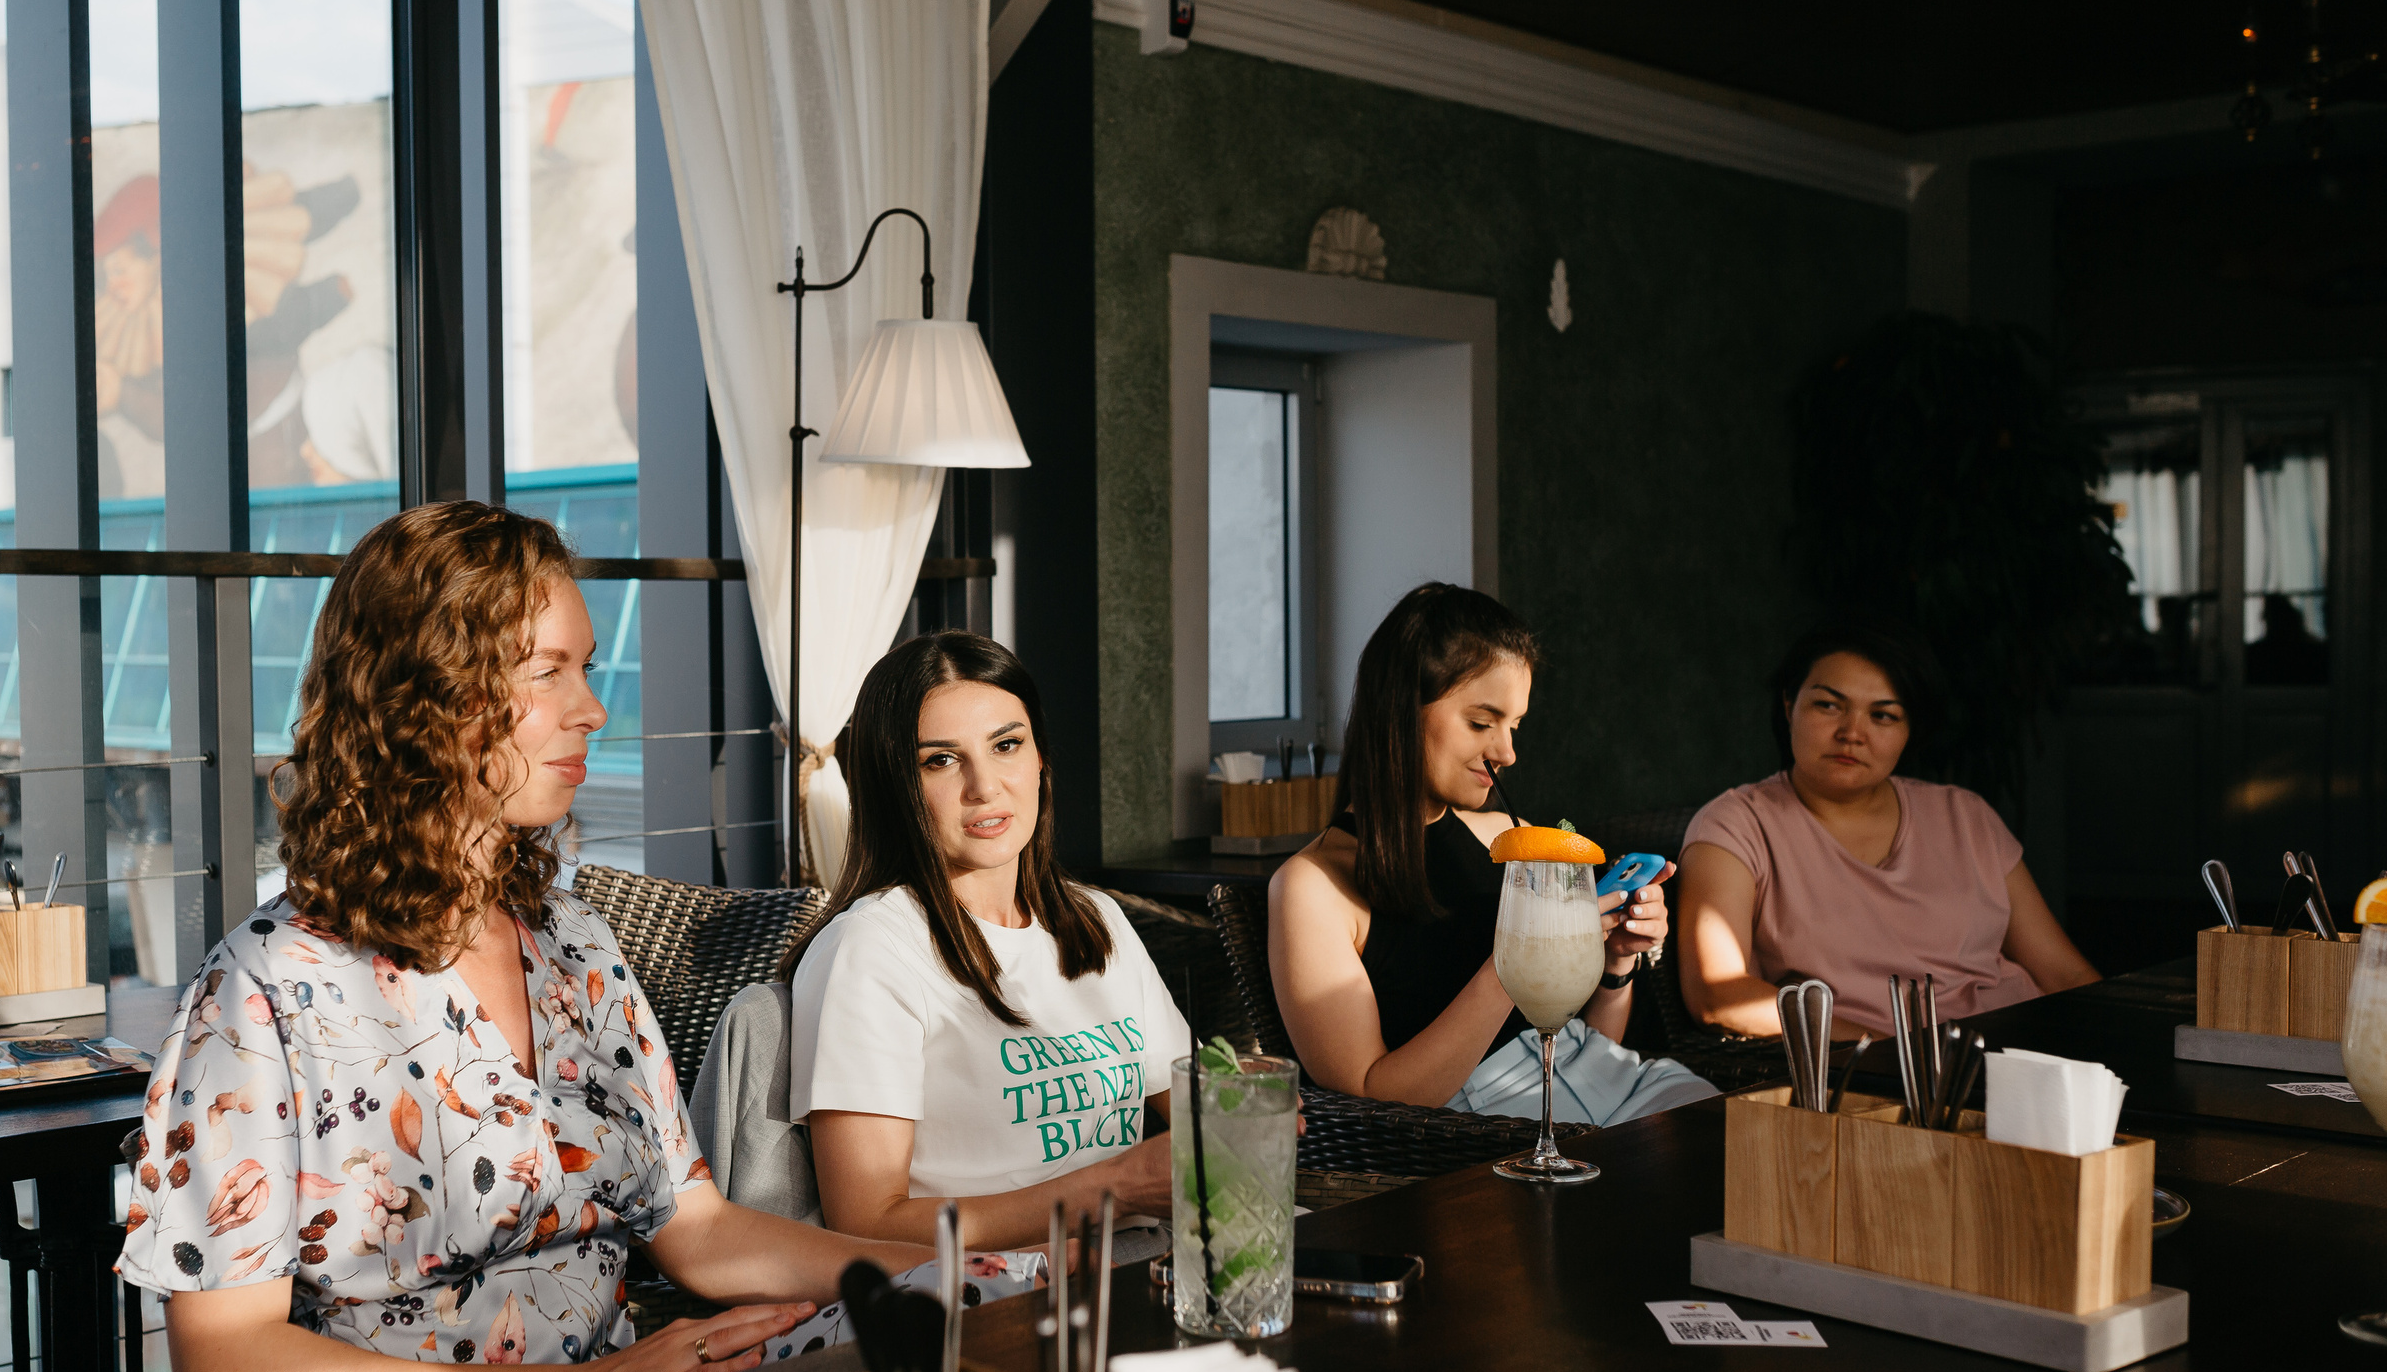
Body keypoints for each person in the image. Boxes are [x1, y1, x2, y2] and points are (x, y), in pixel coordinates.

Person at [115, 502, 930, 1372]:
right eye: (547, 671)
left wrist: (930, 1275)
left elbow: (697, 1225)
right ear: (425, 697)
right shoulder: (264, 991)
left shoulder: (574, 941)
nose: (591, 708)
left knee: (965, 1343)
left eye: (584, 668)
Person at [790, 631, 1187, 1248]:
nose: (985, 786)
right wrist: (1115, 1186)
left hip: (1147, 1266)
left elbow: (1195, 1108)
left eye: (1006, 745)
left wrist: (1246, 1113)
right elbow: (866, 1222)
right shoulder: (870, 951)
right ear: (895, 786)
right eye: (940, 760)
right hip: (994, 1300)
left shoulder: (1096, 921)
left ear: (1041, 760)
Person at [1268, 584, 1713, 1125]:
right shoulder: (1312, 888)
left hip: (1617, 1080)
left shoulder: (1513, 838)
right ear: (1401, 710)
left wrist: (1615, 963)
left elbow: (1579, 1045)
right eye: (1482, 723)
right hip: (1493, 1129)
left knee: (1753, 1151)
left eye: (1514, 725)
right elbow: (1368, 1098)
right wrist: (1514, 965)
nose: (1507, 753)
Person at [1678, 619, 2100, 1040]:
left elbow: (2064, 973)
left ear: (1909, 730)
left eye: (1883, 715)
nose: (1851, 733)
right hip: (1867, 1078)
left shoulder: (1965, 816)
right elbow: (1718, 997)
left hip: (2024, 1054)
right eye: (1828, 705)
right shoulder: (1737, 825)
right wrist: (1891, 1055)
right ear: (1789, 706)